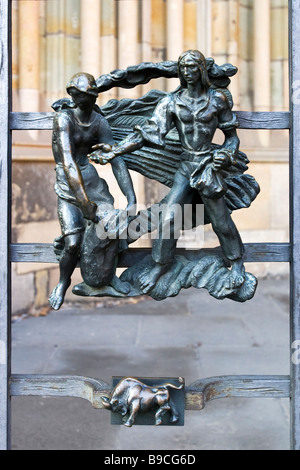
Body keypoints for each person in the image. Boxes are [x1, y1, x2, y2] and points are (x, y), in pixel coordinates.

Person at [89, 50, 245, 295]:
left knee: (221, 220)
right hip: (185, 166)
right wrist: (115, 150)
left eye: (192, 67)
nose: (187, 71)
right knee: (168, 218)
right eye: (183, 67)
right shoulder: (172, 102)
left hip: (208, 167)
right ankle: (161, 265)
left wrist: (226, 154)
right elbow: (148, 133)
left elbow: (232, 138)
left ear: (201, 70)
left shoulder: (217, 100)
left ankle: (236, 264)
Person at [49, 72, 136, 310]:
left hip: (92, 184)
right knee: (74, 244)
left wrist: (131, 196)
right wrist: (85, 204)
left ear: (93, 96)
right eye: (76, 94)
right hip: (70, 186)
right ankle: (63, 282)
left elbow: (116, 159)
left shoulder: (99, 121)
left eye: (86, 95)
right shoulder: (64, 120)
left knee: (112, 225)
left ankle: (110, 276)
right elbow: (68, 162)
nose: (80, 99)